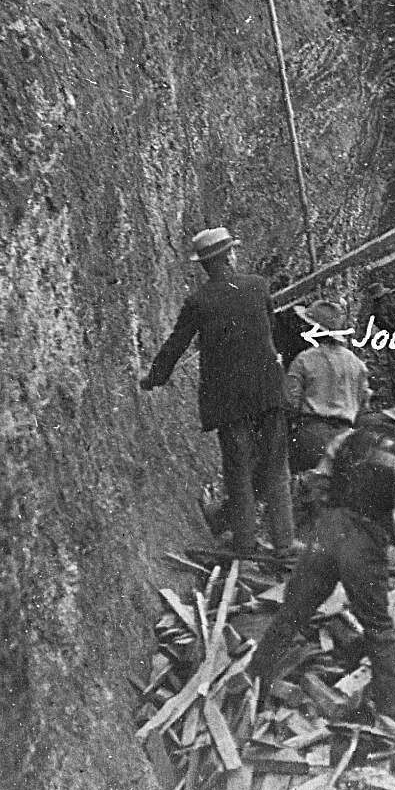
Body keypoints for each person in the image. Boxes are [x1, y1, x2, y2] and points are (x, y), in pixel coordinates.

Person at [250, 390, 395, 727]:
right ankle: (391, 712)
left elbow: (316, 483)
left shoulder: (348, 439)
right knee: (378, 627)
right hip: (363, 547)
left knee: (293, 612)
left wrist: (325, 522)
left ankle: (253, 681)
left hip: (325, 535)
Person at [140, 226, 295, 557]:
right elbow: (270, 331)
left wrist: (153, 378)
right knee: (276, 468)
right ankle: (284, 544)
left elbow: (175, 345)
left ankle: (245, 544)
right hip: (268, 391)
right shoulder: (257, 287)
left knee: (238, 473)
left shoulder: (199, 302)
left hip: (229, 401)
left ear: (205, 266)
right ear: (230, 257)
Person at [285, 298, 371, 472]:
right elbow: (364, 407)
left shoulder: (304, 359)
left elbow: (290, 403)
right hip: (346, 439)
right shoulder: (357, 364)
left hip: (311, 436)